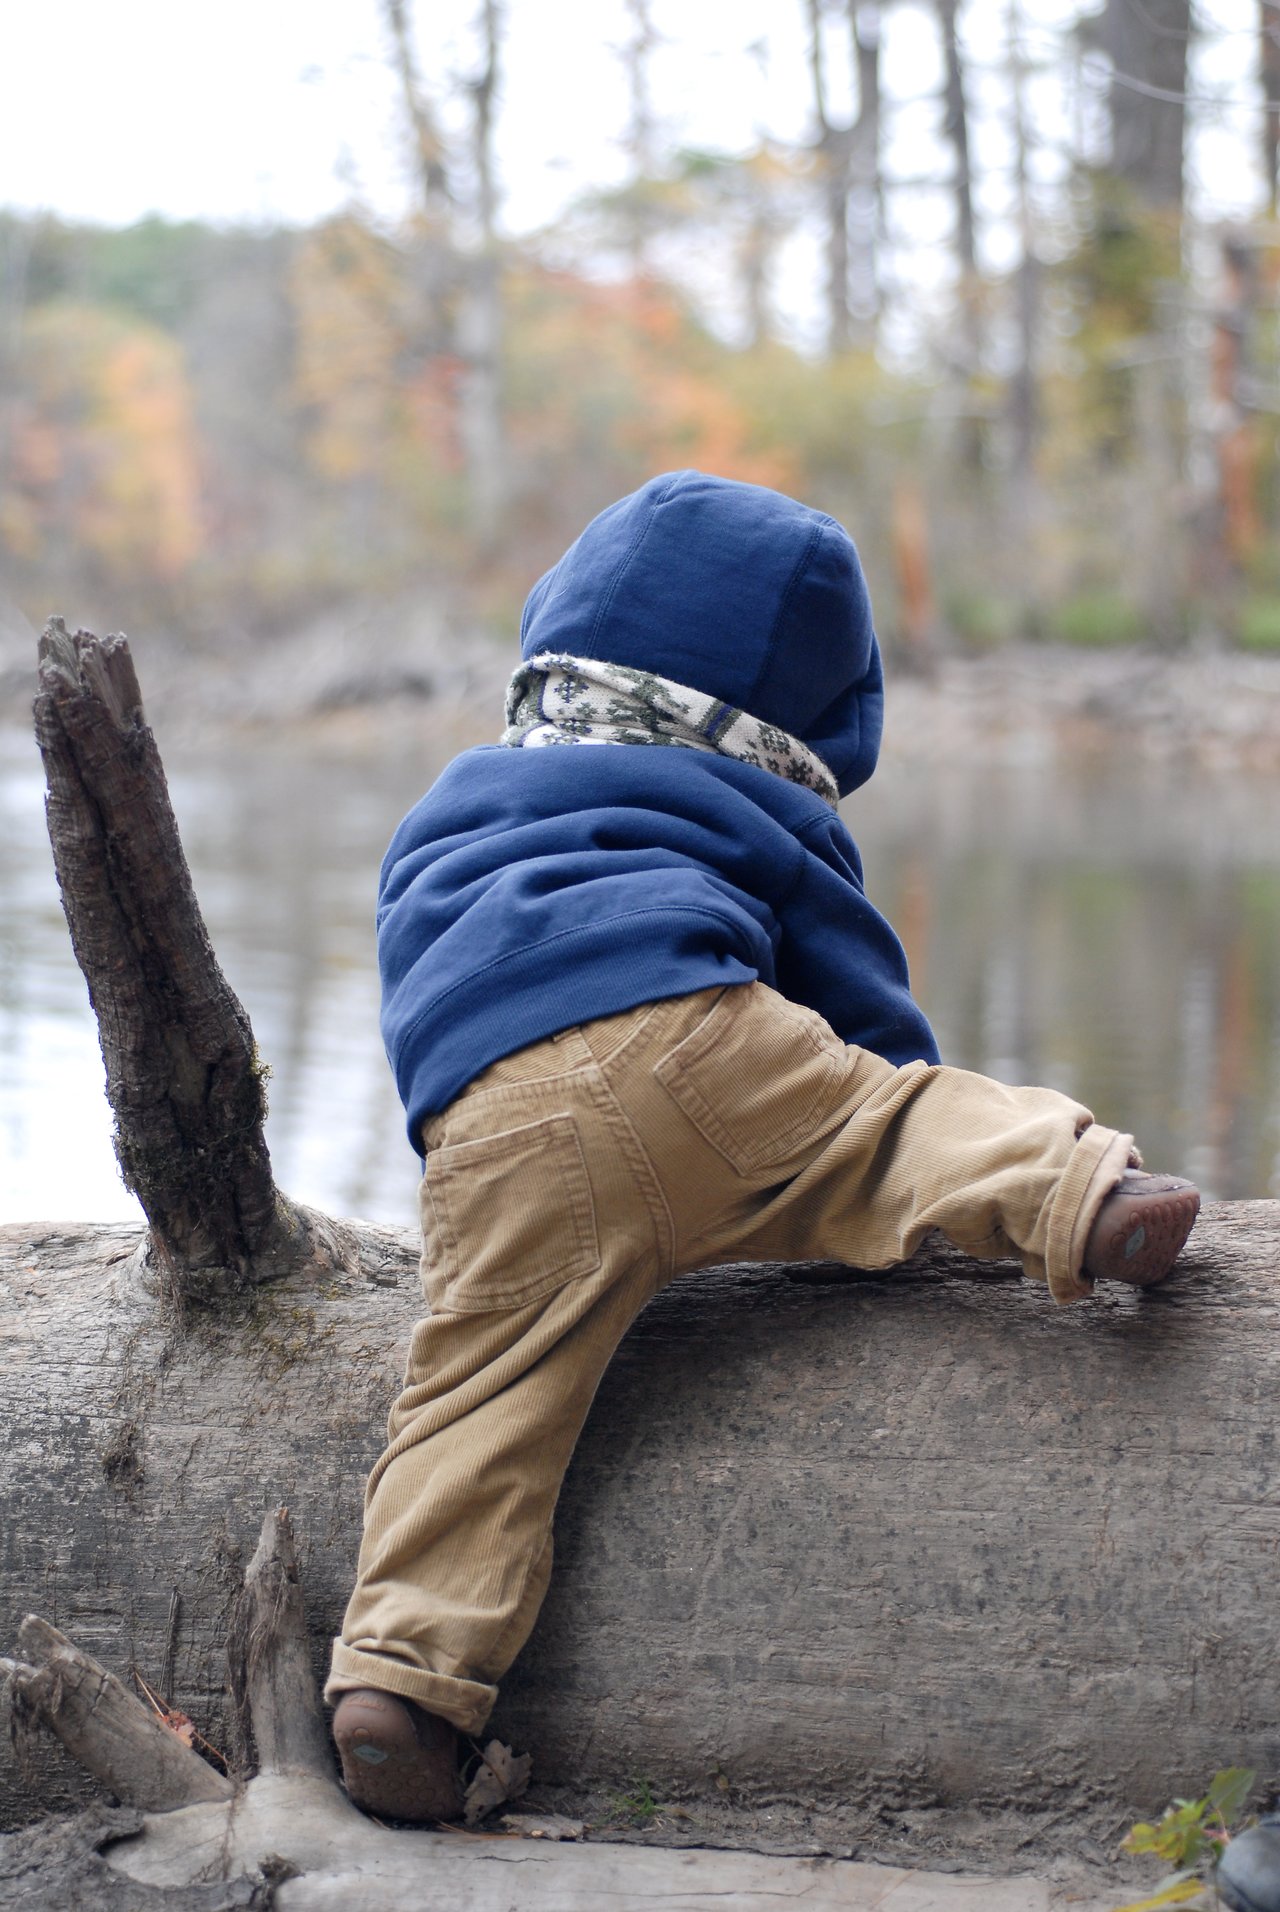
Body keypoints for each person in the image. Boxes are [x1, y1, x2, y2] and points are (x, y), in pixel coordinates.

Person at [325, 470, 1201, 1820]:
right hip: (691, 1035)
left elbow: (414, 963)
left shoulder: (462, 796)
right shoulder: (754, 804)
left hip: (487, 1112)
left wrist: (467, 1137)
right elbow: (868, 1024)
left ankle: (402, 1681)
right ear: (808, 721)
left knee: (480, 1396)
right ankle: (1076, 1196)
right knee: (883, 1130)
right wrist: (873, 1114)